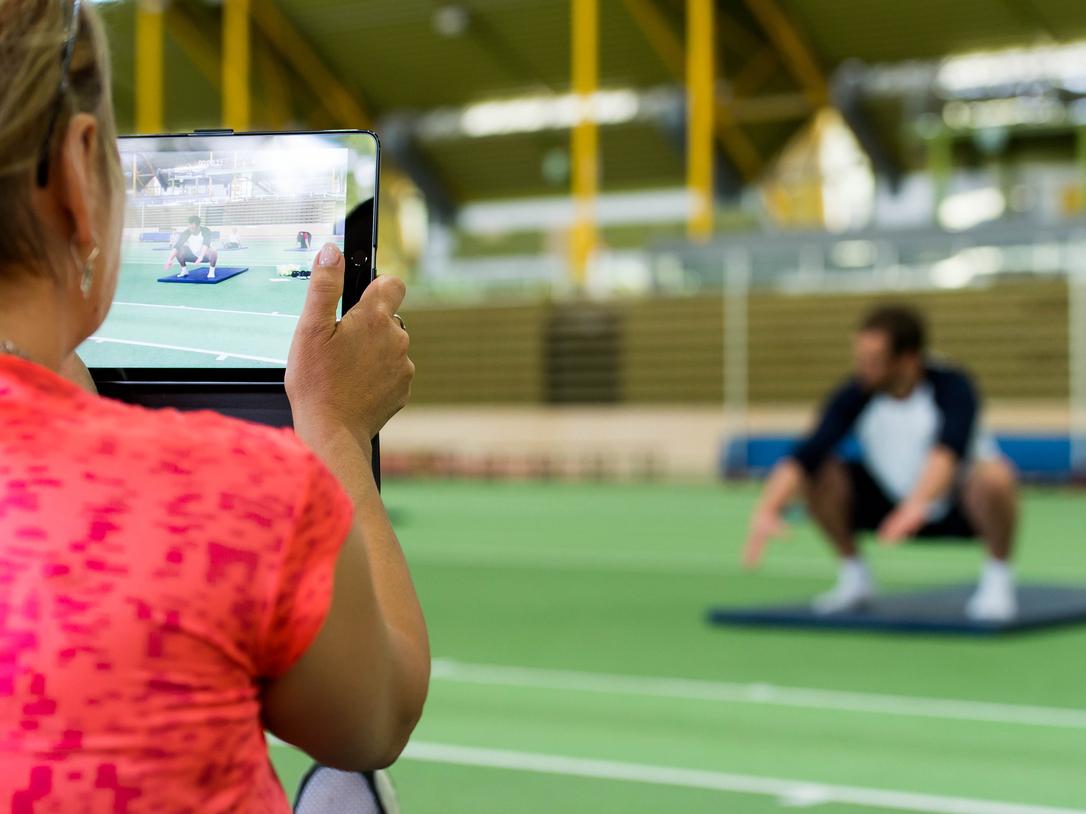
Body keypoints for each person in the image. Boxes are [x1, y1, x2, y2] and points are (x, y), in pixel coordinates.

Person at [0, 2, 428, 811]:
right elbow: (379, 715)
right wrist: (334, 433)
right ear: (78, 162)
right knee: (350, 782)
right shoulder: (232, 490)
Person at [742, 305, 1019, 622]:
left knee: (995, 475)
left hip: (956, 504)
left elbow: (948, 451)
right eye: (860, 359)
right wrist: (768, 507)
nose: (863, 368)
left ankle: (997, 581)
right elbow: (807, 453)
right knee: (822, 471)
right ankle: (855, 578)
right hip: (889, 504)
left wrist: (918, 505)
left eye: (874, 361)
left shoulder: (952, 386)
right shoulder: (858, 392)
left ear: (908, 359)